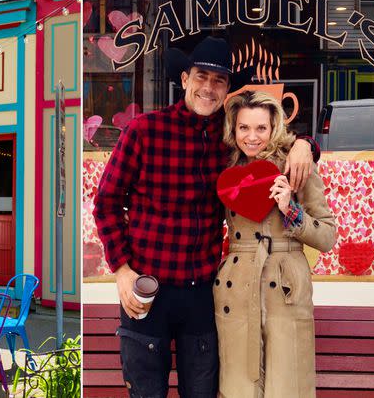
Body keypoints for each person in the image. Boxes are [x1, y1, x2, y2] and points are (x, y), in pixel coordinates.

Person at [93, 36, 319, 398]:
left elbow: (272, 137)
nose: (209, 88)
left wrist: (307, 144)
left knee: (201, 393)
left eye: (219, 80)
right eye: (201, 76)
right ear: (184, 79)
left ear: (228, 88)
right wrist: (121, 270)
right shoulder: (144, 131)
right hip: (147, 290)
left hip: (202, 295)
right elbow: (105, 203)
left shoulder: (231, 139)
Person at [214, 91, 336, 397]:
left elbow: (327, 237)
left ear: (274, 128)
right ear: (233, 128)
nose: (252, 137)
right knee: (238, 384)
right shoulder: (225, 166)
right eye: (244, 128)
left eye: (261, 128)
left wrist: (290, 210)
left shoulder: (296, 165)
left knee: (287, 384)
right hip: (236, 284)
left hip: (285, 285)